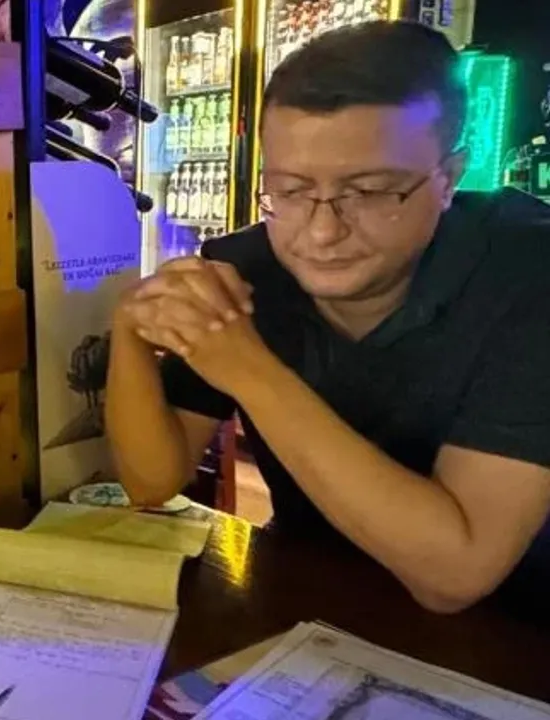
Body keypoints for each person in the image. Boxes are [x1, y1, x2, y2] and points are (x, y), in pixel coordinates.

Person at [107, 21, 550, 614]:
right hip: (310, 598)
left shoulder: (528, 275)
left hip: (515, 631)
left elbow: (454, 575)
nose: (321, 233)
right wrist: (130, 330)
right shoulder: (247, 268)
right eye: (291, 191)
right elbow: (151, 482)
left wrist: (248, 369)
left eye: (368, 192)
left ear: (448, 179)